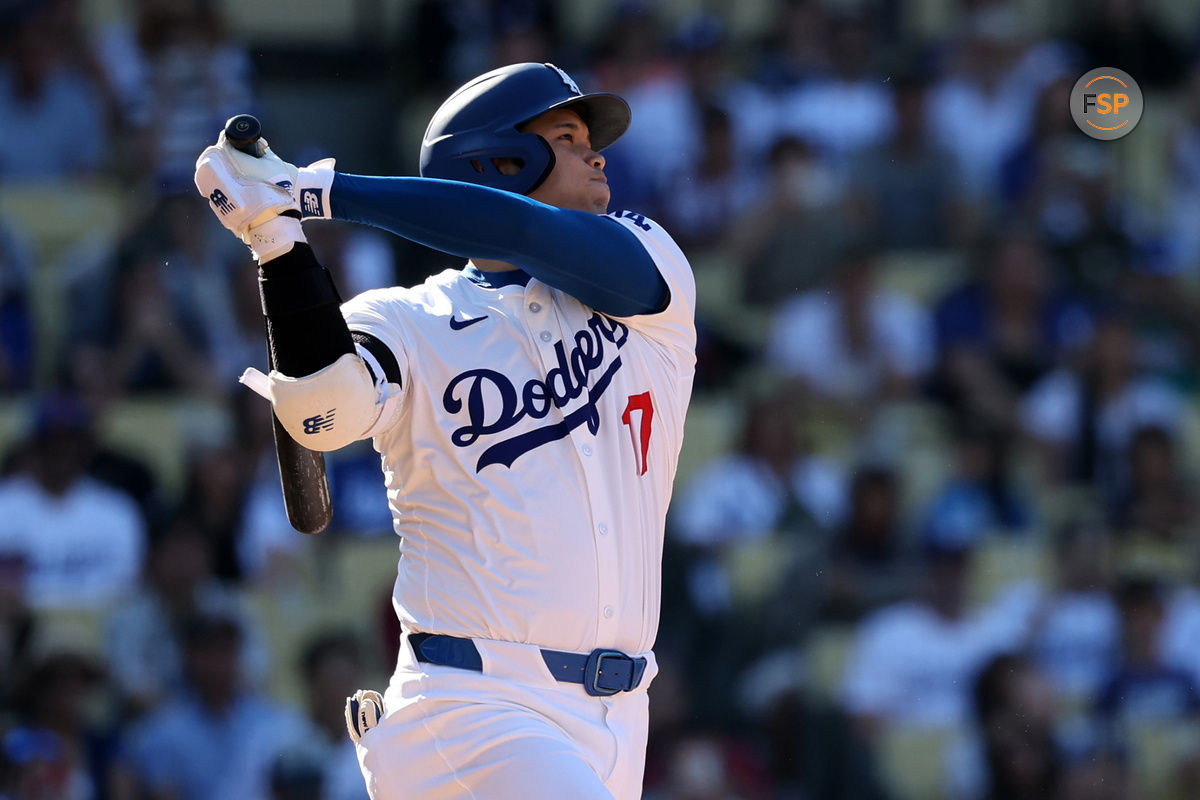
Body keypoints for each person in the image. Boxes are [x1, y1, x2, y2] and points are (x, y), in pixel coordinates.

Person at [194, 62, 696, 799]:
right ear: (497, 160)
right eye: (566, 135)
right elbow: (322, 414)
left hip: (621, 717)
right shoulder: (405, 319)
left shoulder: (648, 261)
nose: (599, 155)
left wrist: (315, 191)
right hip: (471, 704)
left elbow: (518, 227)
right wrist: (278, 244)